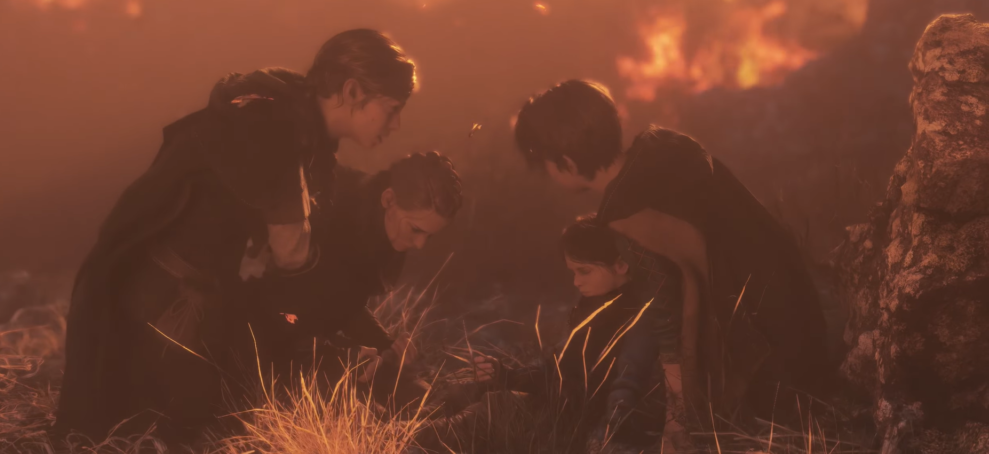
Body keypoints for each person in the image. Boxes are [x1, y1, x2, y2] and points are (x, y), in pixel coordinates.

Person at [55, 29, 417, 444]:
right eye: (391, 109)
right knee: (189, 431)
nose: (397, 123)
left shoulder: (293, 123)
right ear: (353, 91)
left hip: (184, 301)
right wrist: (371, 340)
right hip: (167, 314)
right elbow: (295, 263)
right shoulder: (275, 130)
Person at [512, 79, 830, 436]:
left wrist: (678, 416)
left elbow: (670, 314)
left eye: (547, 165)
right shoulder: (666, 146)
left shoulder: (625, 215)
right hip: (802, 318)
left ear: (567, 164)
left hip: (773, 366)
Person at [229, 152, 463, 412]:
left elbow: (343, 303)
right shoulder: (328, 213)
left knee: (417, 397)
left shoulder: (381, 231)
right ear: (389, 199)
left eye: (428, 236)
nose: (419, 244)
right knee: (366, 414)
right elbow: (276, 309)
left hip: (302, 337)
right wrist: (334, 355)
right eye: (416, 230)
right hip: (250, 338)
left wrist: (387, 345)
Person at [416, 217, 668, 453]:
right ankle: (404, 423)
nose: (576, 282)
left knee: (491, 410)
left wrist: (606, 438)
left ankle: (404, 436)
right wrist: (505, 375)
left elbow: (616, 383)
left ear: (621, 264)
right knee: (468, 392)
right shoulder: (597, 306)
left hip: (576, 422)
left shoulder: (636, 315)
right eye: (573, 272)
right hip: (560, 406)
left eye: (584, 271)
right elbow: (558, 370)